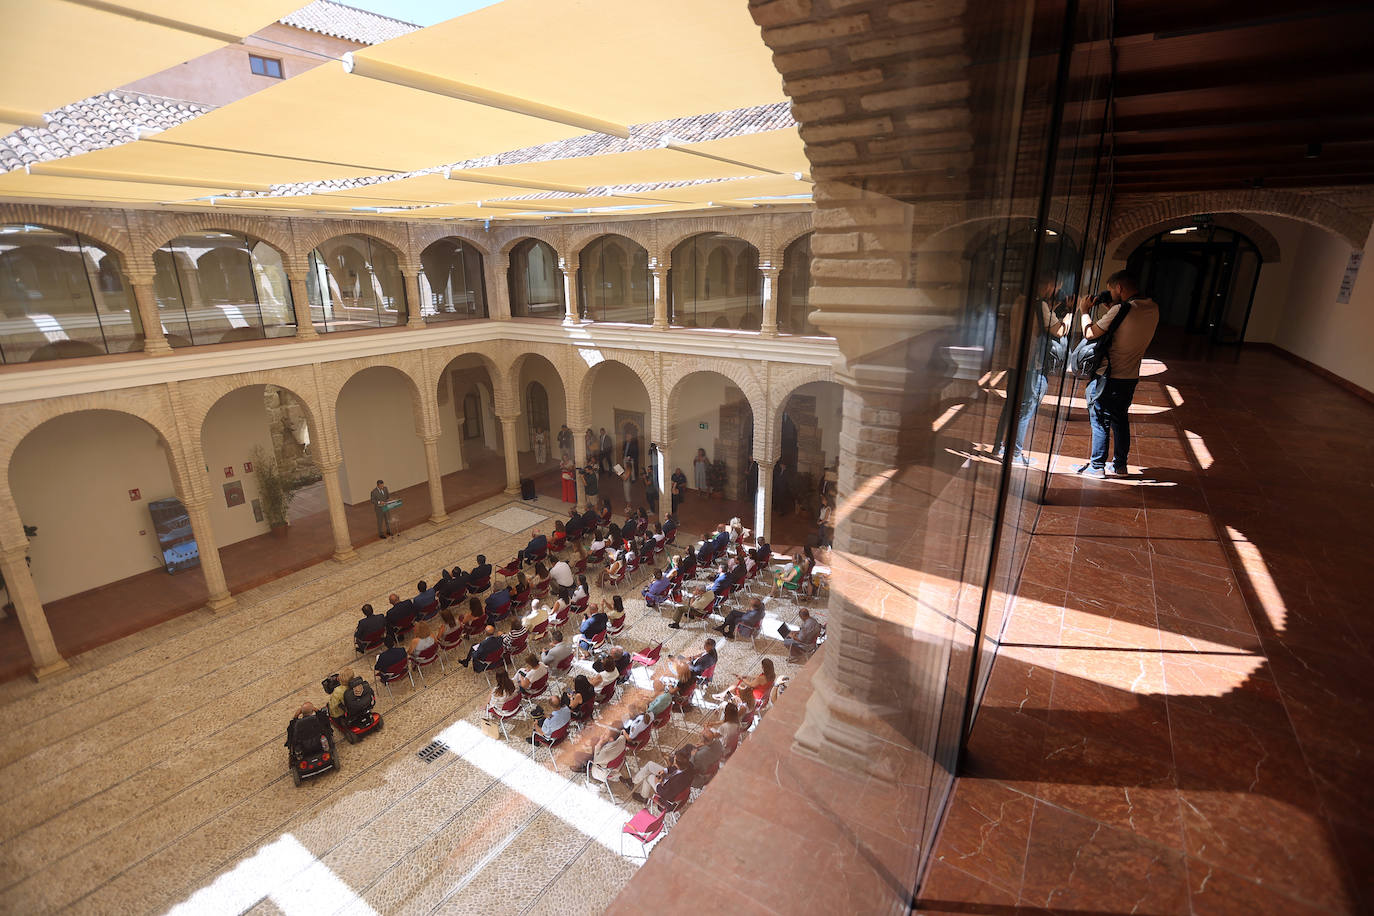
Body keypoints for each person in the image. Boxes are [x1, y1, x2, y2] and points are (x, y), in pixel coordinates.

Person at [1075, 269, 1161, 478]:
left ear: (1119, 288)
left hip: (1108, 375)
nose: (1109, 293)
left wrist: (1084, 310)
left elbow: (1090, 333)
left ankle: (1096, 467)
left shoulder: (1121, 310)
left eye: (1111, 289)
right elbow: (1128, 328)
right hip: (1130, 376)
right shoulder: (1152, 307)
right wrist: (1114, 309)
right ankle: (1120, 465)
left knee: (1099, 419)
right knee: (1120, 419)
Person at [993, 275, 1073, 466]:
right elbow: (1060, 330)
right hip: (1032, 366)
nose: (1055, 292)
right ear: (1048, 284)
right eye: (1055, 287)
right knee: (1026, 410)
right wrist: (1071, 311)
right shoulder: (1039, 305)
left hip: (1015, 363)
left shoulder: (1019, 301)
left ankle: (998, 447)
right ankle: (1015, 454)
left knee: (1009, 407)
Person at [624, 745, 695, 806]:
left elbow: (665, 794)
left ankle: (643, 797)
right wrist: (665, 770)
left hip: (665, 788)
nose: (673, 760)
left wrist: (658, 783)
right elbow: (675, 768)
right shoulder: (688, 765)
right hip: (669, 779)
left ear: (677, 764)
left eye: (674, 760)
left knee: (648, 777)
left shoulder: (678, 781)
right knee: (650, 764)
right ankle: (632, 781)